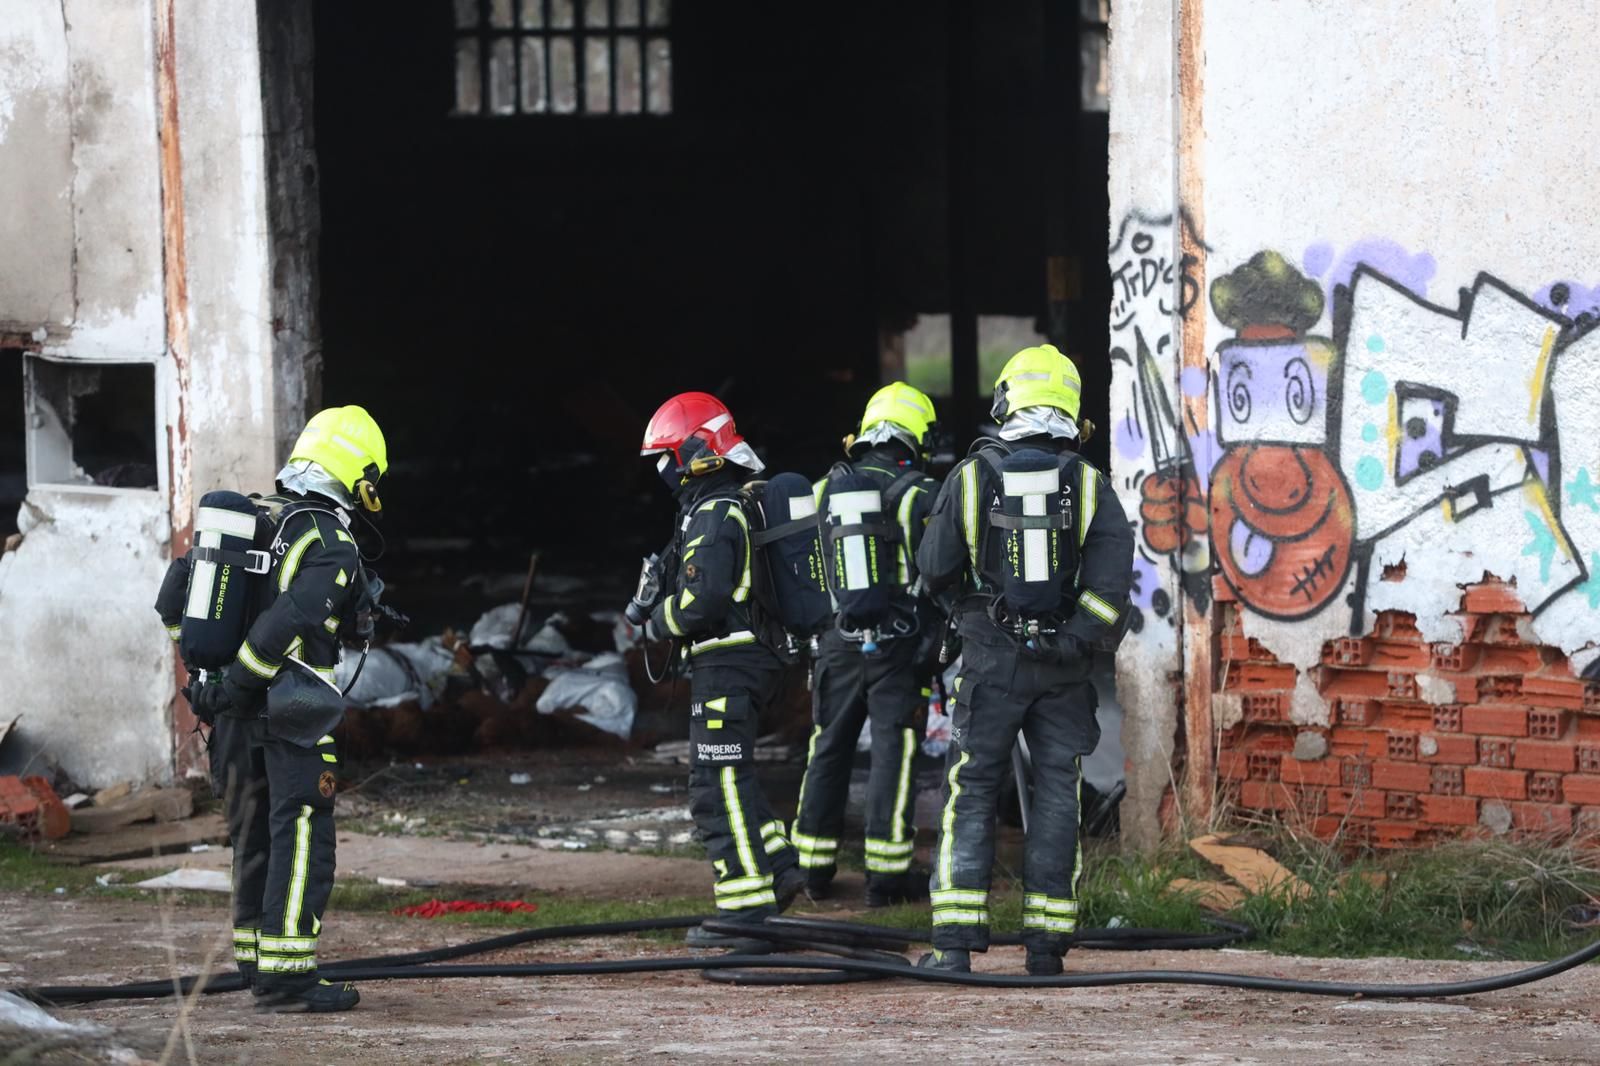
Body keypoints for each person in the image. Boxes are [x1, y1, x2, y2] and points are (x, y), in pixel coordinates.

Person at [156, 406, 389, 1012]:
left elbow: (173, 597)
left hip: (230, 721)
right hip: (291, 719)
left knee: (252, 834)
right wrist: (240, 684)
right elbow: (286, 626)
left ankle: (255, 963)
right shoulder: (329, 540)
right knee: (302, 833)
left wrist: (207, 681)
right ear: (359, 475)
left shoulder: (254, 520)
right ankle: (288, 975)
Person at [914, 346, 1133, 975]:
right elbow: (1110, 590)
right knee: (1059, 790)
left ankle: (954, 945)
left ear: (1006, 402)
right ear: (1070, 408)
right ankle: (1046, 948)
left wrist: (972, 611)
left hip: (989, 662)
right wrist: (1071, 638)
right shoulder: (1089, 484)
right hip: (1064, 668)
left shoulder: (971, 476)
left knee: (972, 787)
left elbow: (934, 567)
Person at [629, 392, 805, 947]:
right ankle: (779, 870)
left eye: (667, 457)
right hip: (744, 663)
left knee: (714, 786)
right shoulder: (726, 506)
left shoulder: (714, 513)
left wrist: (658, 620)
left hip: (730, 666)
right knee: (733, 778)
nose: (663, 470)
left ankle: (746, 914)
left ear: (696, 452)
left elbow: (700, 602)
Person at [790, 382, 942, 907]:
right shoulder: (922, 494)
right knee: (894, 752)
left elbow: (801, 567)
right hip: (900, 647)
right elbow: (939, 573)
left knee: (827, 746)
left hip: (836, 641)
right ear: (917, 437)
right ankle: (886, 877)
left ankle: (810, 868)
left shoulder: (822, 490)